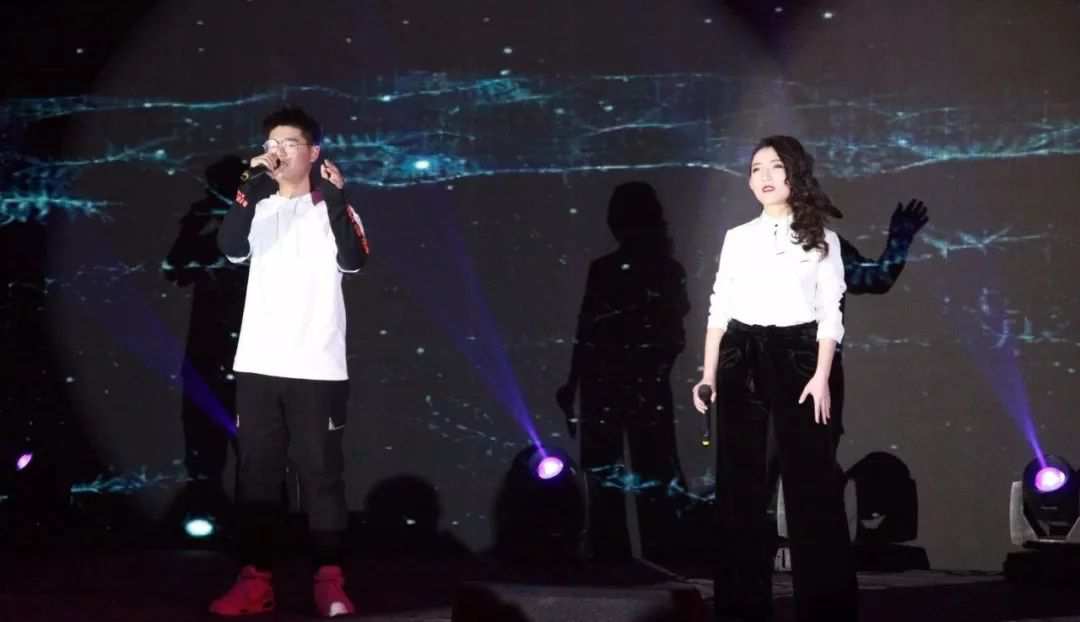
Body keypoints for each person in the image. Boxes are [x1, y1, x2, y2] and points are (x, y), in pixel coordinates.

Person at [210, 106, 370, 618]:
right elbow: (230, 248)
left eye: (290, 143)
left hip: (317, 368)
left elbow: (355, 260)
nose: (278, 152)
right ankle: (255, 582)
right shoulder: (257, 206)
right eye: (271, 145)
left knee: (321, 475)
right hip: (259, 364)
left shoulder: (335, 208)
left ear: (314, 153)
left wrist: (338, 199)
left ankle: (330, 582)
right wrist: (248, 189)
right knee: (256, 476)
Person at [692, 136, 857, 621]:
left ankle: (825, 608)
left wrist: (822, 375)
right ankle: (741, 606)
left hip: (800, 358)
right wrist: (708, 374)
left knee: (811, 490)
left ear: (794, 174)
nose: (764, 177)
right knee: (740, 490)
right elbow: (719, 308)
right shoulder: (737, 237)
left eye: (775, 167)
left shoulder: (822, 238)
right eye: (755, 168)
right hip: (741, 357)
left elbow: (831, 312)